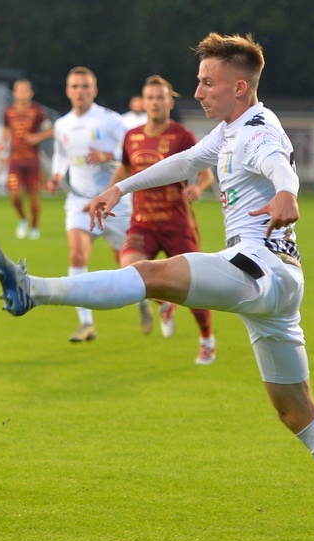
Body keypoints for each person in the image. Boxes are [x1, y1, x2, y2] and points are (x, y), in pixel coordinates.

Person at [0, 34, 314, 541]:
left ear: (240, 87)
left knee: (151, 274)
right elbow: (183, 162)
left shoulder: (256, 130)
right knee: (295, 410)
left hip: (258, 269)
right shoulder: (229, 132)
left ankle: (34, 290)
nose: (198, 90)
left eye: (208, 82)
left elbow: (280, 167)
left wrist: (288, 193)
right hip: (278, 289)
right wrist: (120, 189)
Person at [115, 75, 217, 364]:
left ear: (170, 102)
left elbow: (206, 172)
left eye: (161, 97)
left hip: (177, 223)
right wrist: (107, 194)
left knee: (195, 288)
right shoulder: (131, 136)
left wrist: (198, 186)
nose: (155, 102)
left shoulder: (182, 136)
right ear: (143, 102)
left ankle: (206, 338)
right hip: (143, 222)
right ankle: (164, 302)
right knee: (130, 271)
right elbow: (124, 170)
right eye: (150, 97)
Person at [47, 66, 130, 343]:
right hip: (80, 201)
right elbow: (61, 155)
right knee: (77, 256)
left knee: (129, 264)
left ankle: (151, 301)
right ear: (67, 91)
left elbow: (129, 152)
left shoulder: (111, 121)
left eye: (85, 87)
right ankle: (86, 324)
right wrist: (57, 175)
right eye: (74, 87)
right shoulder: (62, 124)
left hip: (115, 201)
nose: (79, 92)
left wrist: (108, 155)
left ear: (94, 91)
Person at [2, 79, 52, 240]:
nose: (22, 93)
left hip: (32, 160)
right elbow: (5, 132)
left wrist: (37, 137)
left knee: (34, 196)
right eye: (19, 90)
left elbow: (50, 130)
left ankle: (35, 227)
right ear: (15, 93)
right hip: (15, 160)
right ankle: (23, 219)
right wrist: (3, 148)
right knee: (15, 195)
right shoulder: (8, 112)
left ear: (30, 93)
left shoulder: (38, 112)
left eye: (25, 90)